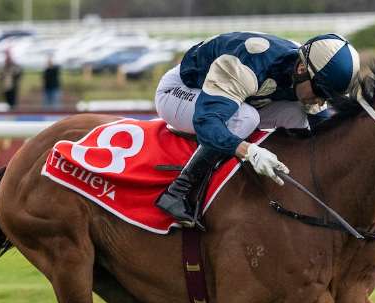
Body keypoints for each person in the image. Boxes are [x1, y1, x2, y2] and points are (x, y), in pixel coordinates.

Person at [154, 32, 360, 228]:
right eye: (321, 92)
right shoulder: (246, 66)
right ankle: (178, 191)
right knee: (246, 117)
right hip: (181, 90)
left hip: (241, 93)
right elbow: (207, 123)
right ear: (300, 70)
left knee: (298, 114)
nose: (321, 101)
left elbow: (324, 131)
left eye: (327, 97)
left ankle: (290, 189)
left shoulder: (310, 71)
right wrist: (249, 151)